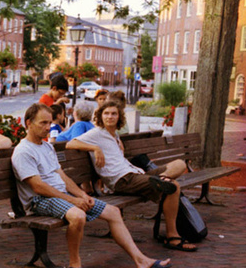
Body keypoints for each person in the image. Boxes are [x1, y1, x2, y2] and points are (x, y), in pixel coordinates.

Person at [11, 103, 171, 268]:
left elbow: (62, 177)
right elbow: (38, 187)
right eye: (43, 123)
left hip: (59, 195)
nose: (48, 127)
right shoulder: (23, 151)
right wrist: (73, 201)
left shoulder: (47, 146)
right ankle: (74, 263)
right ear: (28, 123)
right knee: (78, 216)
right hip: (39, 200)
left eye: (49, 123)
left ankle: (141, 261)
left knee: (113, 212)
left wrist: (82, 195)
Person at [65, 100, 198, 252]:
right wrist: (95, 148)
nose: (110, 117)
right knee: (173, 186)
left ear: (119, 117)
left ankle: (161, 180)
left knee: (179, 164)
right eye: (106, 113)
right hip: (122, 180)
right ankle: (172, 236)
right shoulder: (96, 133)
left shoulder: (115, 135)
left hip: (135, 174)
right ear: (100, 116)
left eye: (113, 114)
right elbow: (70, 144)